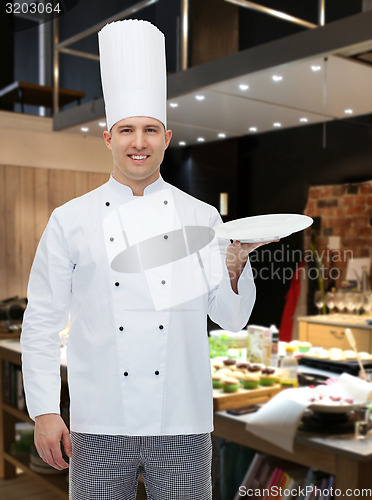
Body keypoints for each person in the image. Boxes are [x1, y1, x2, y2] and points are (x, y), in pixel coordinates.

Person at [21, 19, 273, 500]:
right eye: (128, 130)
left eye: (150, 130)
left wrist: (235, 268)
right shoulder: (70, 219)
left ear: (167, 136)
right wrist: (45, 411)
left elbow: (232, 318)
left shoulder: (203, 217)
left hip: (182, 420)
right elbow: (42, 321)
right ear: (108, 138)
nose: (139, 142)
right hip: (97, 421)